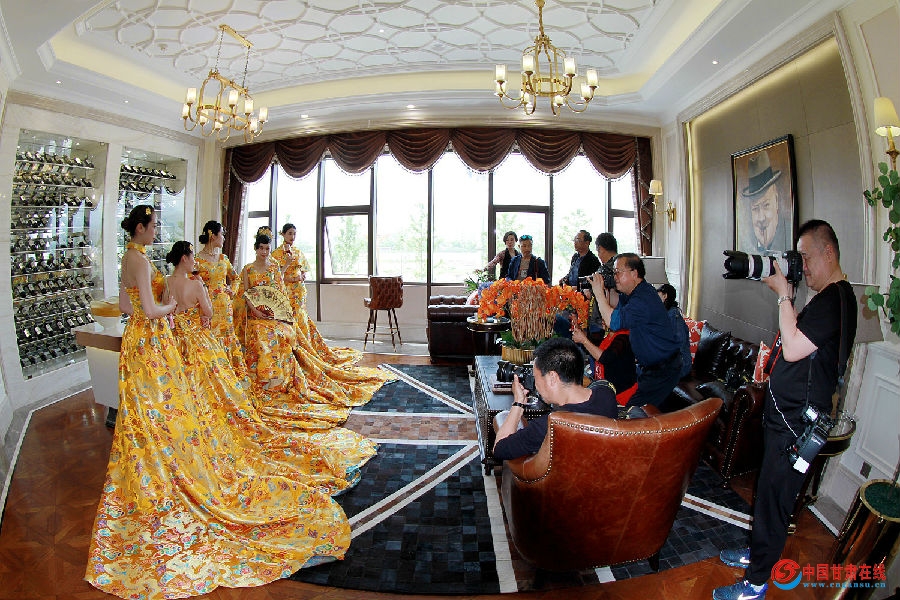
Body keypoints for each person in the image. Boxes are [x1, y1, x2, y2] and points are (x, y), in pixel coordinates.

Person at [86, 206, 353, 599]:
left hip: (143, 338)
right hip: (153, 339)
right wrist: (170, 310)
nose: (156, 230)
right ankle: (163, 467)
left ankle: (156, 461)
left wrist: (163, 310)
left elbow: (128, 308)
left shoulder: (133, 258)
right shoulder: (141, 261)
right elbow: (150, 309)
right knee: (159, 406)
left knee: (149, 409)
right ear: (140, 228)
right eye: (153, 225)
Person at [713, 220, 857, 600]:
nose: (802, 266)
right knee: (767, 493)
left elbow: (792, 349)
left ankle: (756, 584)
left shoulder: (835, 299)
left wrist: (783, 296)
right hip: (788, 420)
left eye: (806, 257)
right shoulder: (829, 298)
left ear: (828, 252)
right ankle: (758, 554)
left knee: (775, 500)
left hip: (796, 426)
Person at [165, 240, 376, 495]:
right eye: (262, 248)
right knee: (212, 377)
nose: (265, 252)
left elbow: (167, 312)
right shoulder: (203, 281)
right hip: (202, 336)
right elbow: (208, 311)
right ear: (186, 258)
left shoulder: (169, 282)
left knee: (187, 381)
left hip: (176, 341)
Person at [236, 229, 393, 431]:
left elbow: (278, 292)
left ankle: (280, 378)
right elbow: (247, 293)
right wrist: (256, 311)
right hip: (256, 315)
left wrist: (277, 312)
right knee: (261, 335)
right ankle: (263, 378)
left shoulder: (274, 267)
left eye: (267, 248)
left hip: (274, 314)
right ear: (256, 249)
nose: (265, 252)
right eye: (261, 249)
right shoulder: (248, 269)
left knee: (281, 334)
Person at [492, 337, 617, 461]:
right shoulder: (606, 393)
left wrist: (518, 403)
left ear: (552, 378)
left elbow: (499, 449)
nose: (535, 385)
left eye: (536, 377)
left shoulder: (549, 426)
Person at [589, 253, 682, 409]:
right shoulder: (635, 293)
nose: (615, 276)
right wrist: (606, 287)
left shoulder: (643, 299)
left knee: (633, 412)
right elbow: (615, 304)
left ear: (634, 273)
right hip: (652, 367)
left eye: (618, 272)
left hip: (663, 369)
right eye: (614, 273)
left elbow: (613, 322)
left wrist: (598, 293)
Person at [194, 220, 247, 378]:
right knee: (210, 338)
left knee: (227, 337)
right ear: (213, 235)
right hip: (206, 306)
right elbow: (191, 282)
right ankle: (214, 376)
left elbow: (236, 278)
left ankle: (229, 372)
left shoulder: (223, 258)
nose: (224, 237)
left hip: (225, 307)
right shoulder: (197, 260)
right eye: (222, 234)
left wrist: (232, 291)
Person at [740, 149, 791, 254]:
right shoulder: (745, 243)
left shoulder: (790, 236)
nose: (761, 218)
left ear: (776, 201)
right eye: (755, 209)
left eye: (766, 205)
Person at [571, 325, 637, 406]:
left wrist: (584, 340)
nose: (603, 320)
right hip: (607, 393)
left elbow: (606, 357)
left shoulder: (623, 337)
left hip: (622, 396)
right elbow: (594, 349)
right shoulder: (610, 336)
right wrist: (582, 335)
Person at [657, 283, 692, 379]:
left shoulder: (673, 315)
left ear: (665, 296)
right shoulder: (667, 314)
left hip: (680, 364)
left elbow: (680, 342)